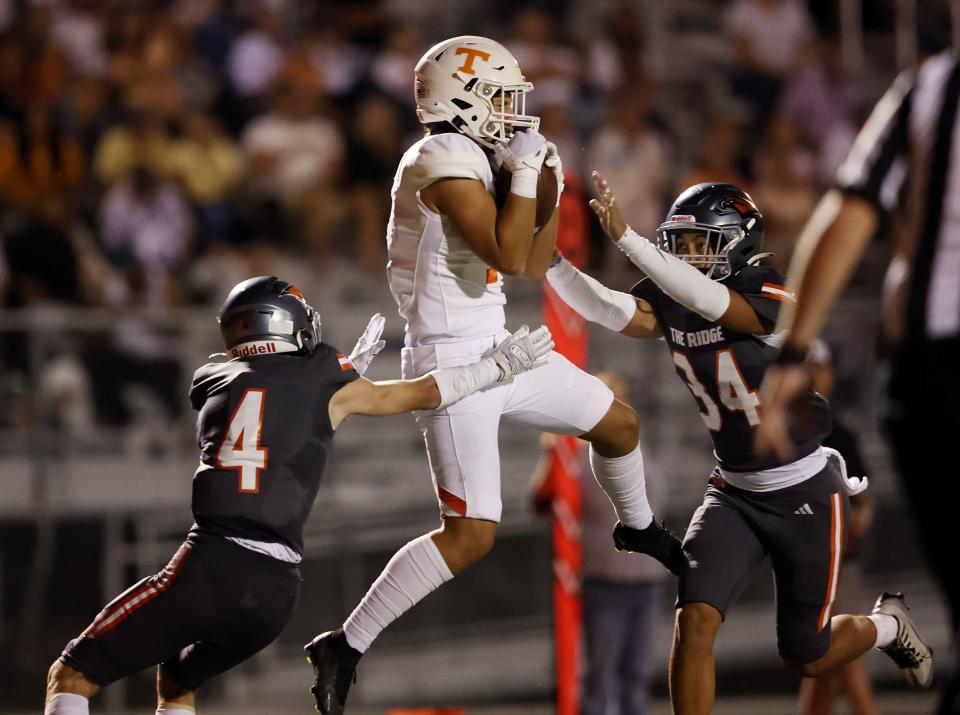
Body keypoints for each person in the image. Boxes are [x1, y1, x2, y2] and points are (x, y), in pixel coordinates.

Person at [304, 35, 683, 715]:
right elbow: (506, 252)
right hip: (454, 362)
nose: (513, 113)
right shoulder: (439, 159)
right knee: (472, 533)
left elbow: (534, 263)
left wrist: (546, 189)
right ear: (463, 99)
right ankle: (346, 642)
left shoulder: (471, 154)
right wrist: (530, 177)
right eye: (502, 98)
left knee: (619, 423)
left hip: (501, 344)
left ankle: (636, 527)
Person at [43, 275, 555, 715]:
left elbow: (261, 395)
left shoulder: (215, 380)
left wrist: (333, 377)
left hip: (211, 564)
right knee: (178, 678)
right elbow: (419, 393)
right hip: (276, 591)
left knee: (70, 674)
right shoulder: (324, 375)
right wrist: (495, 368)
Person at [544, 174, 933, 715]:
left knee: (808, 655)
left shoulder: (769, 288)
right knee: (695, 619)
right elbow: (614, 311)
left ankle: (888, 626)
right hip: (734, 490)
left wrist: (629, 241)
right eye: (677, 245)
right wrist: (550, 263)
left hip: (804, 487)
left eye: (697, 243)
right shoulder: (675, 295)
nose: (684, 256)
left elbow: (714, 304)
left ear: (736, 240)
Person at [755, 48, 960, 715]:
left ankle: (890, 630)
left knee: (818, 653)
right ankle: (890, 629)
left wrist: (789, 351)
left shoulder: (932, 87)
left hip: (930, 384)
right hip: (818, 555)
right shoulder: (813, 431)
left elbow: (861, 495)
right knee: (811, 653)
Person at [531, 370, 667, 715]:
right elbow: (540, 503)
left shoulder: (637, 444)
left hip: (645, 578)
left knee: (636, 675)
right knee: (600, 676)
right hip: (603, 580)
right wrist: (552, 458)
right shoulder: (574, 454)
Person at [798, 340, 879, 715]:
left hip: (839, 562)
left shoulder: (840, 434)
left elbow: (865, 503)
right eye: (807, 368)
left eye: (819, 368)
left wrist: (850, 528)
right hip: (805, 561)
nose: (814, 376)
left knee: (835, 659)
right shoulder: (786, 433)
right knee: (825, 660)